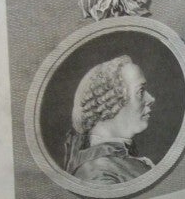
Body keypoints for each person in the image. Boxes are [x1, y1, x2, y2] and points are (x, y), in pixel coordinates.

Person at [63, 55, 156, 183]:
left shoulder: (117, 161)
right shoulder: (97, 173)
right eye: (141, 91)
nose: (151, 99)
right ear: (110, 103)